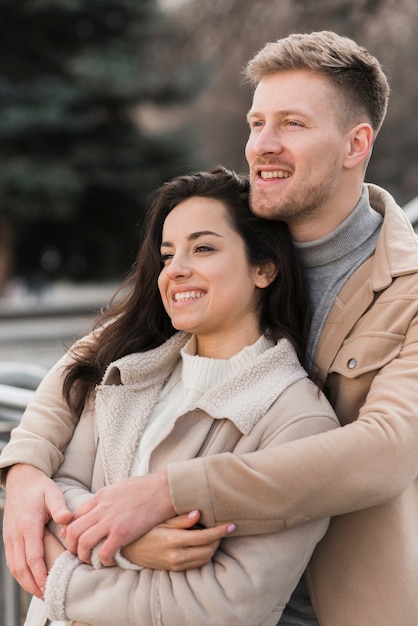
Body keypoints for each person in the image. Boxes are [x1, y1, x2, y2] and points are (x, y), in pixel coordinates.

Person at [2, 29, 418, 625]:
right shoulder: (229, 234)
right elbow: (96, 354)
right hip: (175, 585)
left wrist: (170, 494)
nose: (263, 146)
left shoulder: (409, 287)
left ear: (356, 144)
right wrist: (24, 469)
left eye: (293, 125)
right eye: (257, 123)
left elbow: (387, 453)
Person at [7, 166, 338, 625]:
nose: (176, 269)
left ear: (264, 268)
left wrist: (62, 577)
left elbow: (223, 606)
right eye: (167, 254)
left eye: (203, 248)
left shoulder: (298, 421)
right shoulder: (130, 370)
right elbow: (59, 490)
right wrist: (128, 541)